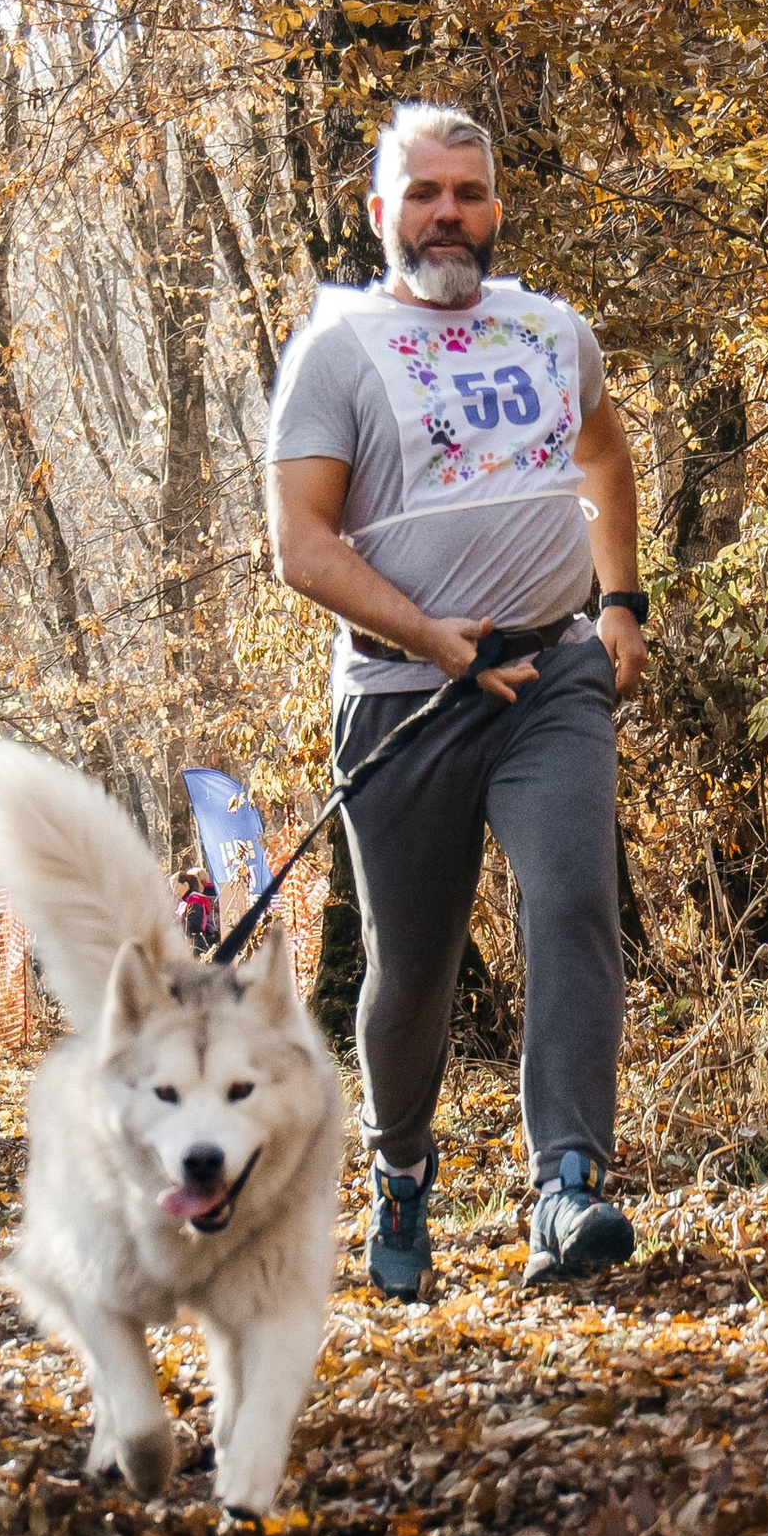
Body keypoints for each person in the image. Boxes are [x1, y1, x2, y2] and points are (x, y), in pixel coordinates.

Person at [263, 105, 650, 1296]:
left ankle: (566, 1185)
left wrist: (623, 601)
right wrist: (429, 638)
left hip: (549, 676)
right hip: (405, 698)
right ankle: (400, 1169)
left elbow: (604, 458)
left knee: (573, 895)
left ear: (495, 207)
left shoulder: (550, 331)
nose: (447, 215)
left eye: (468, 193)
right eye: (422, 193)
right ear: (380, 214)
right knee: (412, 969)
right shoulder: (336, 351)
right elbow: (300, 546)